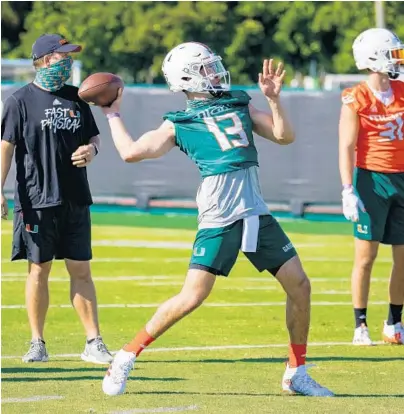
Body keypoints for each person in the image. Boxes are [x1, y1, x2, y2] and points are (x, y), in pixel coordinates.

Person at [100, 42, 334, 397]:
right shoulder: (178, 122)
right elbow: (131, 152)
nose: (215, 73)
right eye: (206, 68)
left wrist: (274, 99)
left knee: (300, 285)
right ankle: (125, 356)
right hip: (220, 212)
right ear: (187, 78)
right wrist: (112, 114)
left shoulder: (239, 100)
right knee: (192, 296)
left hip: (254, 208)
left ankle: (296, 372)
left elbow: (285, 136)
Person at [1, 33, 113, 363]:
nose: (69, 61)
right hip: (36, 200)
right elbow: (5, 147)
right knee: (39, 270)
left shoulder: (77, 97)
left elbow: (94, 136)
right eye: (64, 55)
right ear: (47, 58)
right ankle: (38, 342)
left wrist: (92, 149)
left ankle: (93, 342)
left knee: (81, 270)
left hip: (75, 198)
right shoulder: (18, 101)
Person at [339, 28, 404, 345]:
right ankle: (360, 324)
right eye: (393, 53)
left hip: (402, 178)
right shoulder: (356, 97)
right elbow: (346, 145)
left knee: (403, 257)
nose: (398, 60)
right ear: (374, 58)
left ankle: (394, 322)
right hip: (371, 181)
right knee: (365, 258)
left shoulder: (403, 91)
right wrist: (347, 188)